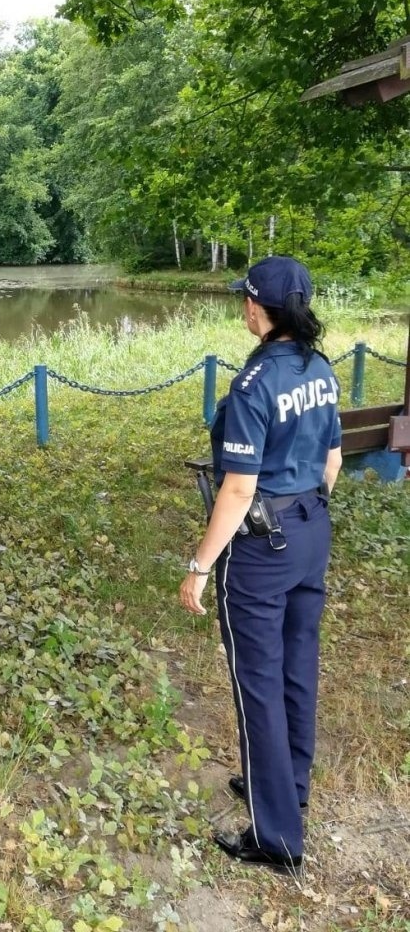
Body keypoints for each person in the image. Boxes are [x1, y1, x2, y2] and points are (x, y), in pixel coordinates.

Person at [178, 255, 342, 875]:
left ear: (263, 309)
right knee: (297, 667)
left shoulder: (255, 384)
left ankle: (277, 838)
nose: (242, 307)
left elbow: (239, 490)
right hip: (311, 531)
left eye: (246, 299)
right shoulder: (320, 368)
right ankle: (285, 785)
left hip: (261, 550)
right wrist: (308, 511)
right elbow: (332, 463)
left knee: (258, 685)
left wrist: (200, 564)